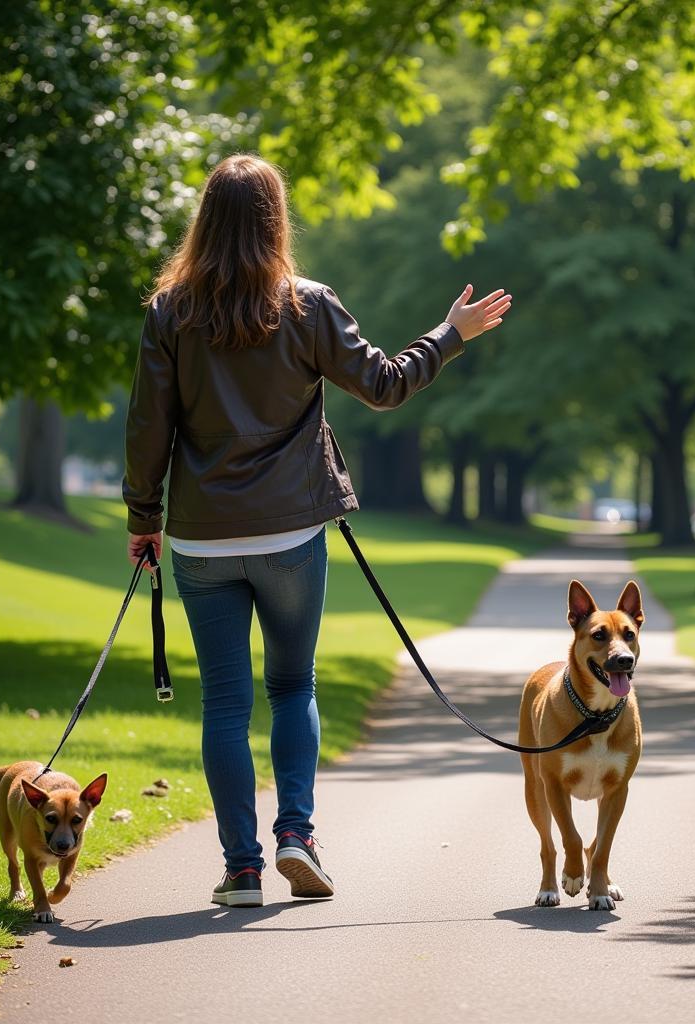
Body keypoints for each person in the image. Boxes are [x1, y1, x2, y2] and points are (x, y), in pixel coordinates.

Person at [122, 153, 511, 908]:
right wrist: (451, 333)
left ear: (205, 218)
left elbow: (148, 426)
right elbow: (388, 384)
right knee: (292, 683)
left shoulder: (169, 312)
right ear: (275, 219)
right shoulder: (308, 305)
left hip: (202, 541)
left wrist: (145, 518)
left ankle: (241, 871)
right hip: (292, 536)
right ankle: (296, 835)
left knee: (225, 705)